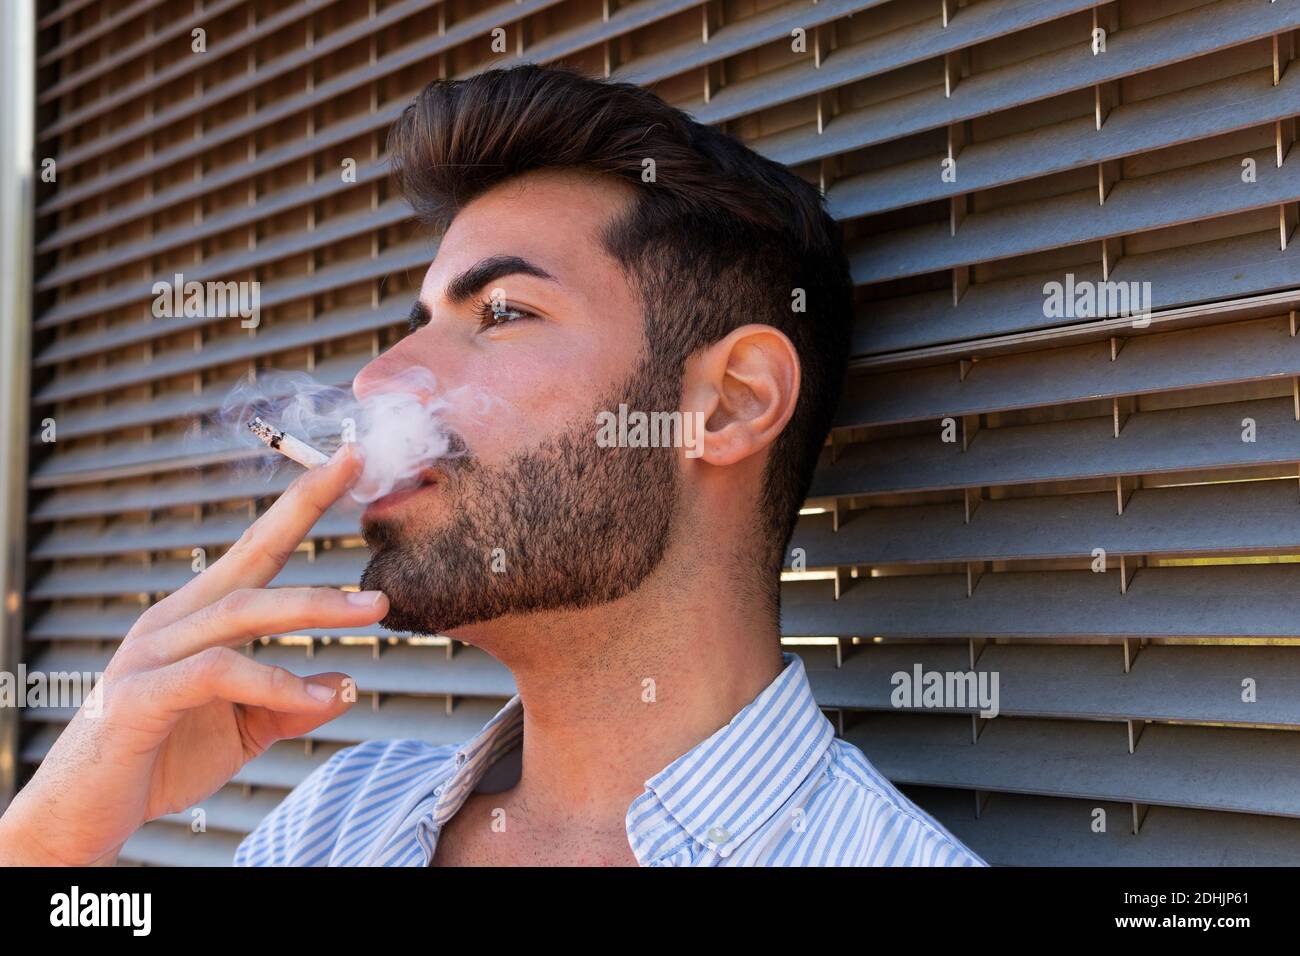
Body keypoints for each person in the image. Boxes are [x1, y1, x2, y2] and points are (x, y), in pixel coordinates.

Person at [0, 64, 985, 867]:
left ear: (727, 404)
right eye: (416, 323)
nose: (382, 376)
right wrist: (53, 839)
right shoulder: (338, 824)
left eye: (502, 312)